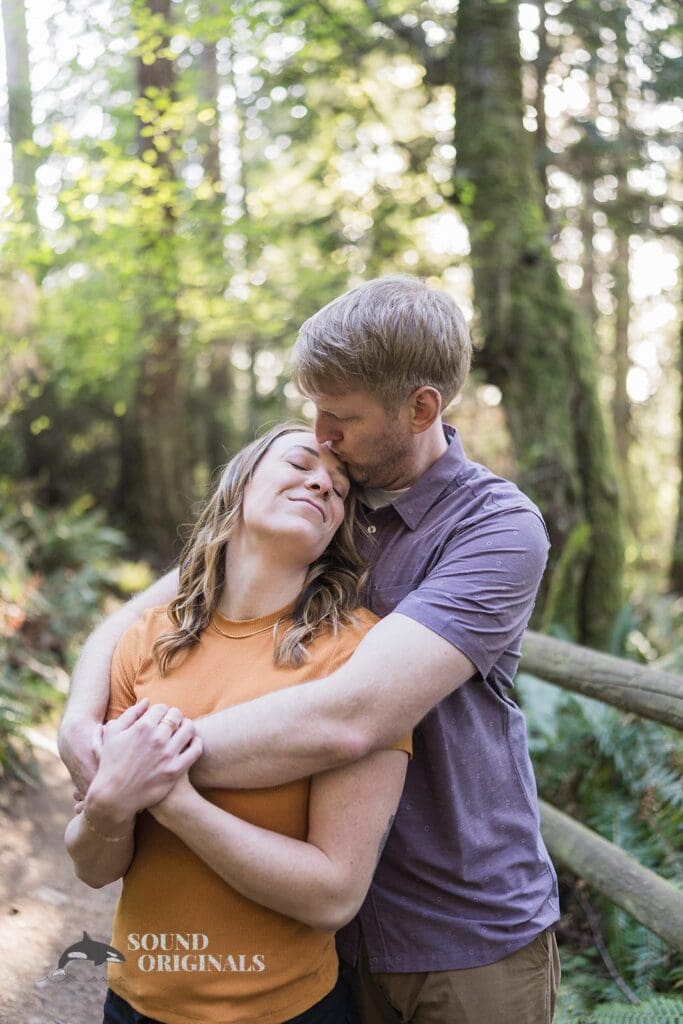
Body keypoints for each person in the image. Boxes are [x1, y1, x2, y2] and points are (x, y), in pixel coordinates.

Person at [60, 275, 561, 1024]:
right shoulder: (333, 499)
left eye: (341, 417)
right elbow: (163, 601)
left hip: (458, 927)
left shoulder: (493, 529)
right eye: (313, 417)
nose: (321, 437)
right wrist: (80, 714)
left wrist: (145, 764)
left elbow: (348, 717)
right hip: (321, 942)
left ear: (421, 408)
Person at [64, 423, 411, 1024]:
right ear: (241, 485)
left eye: (338, 489)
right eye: (301, 463)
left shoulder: (357, 658)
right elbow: (93, 867)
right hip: (134, 1004)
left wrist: (173, 799)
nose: (323, 484)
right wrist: (108, 806)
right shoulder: (148, 640)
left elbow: (334, 893)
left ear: (336, 530)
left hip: (284, 1012)